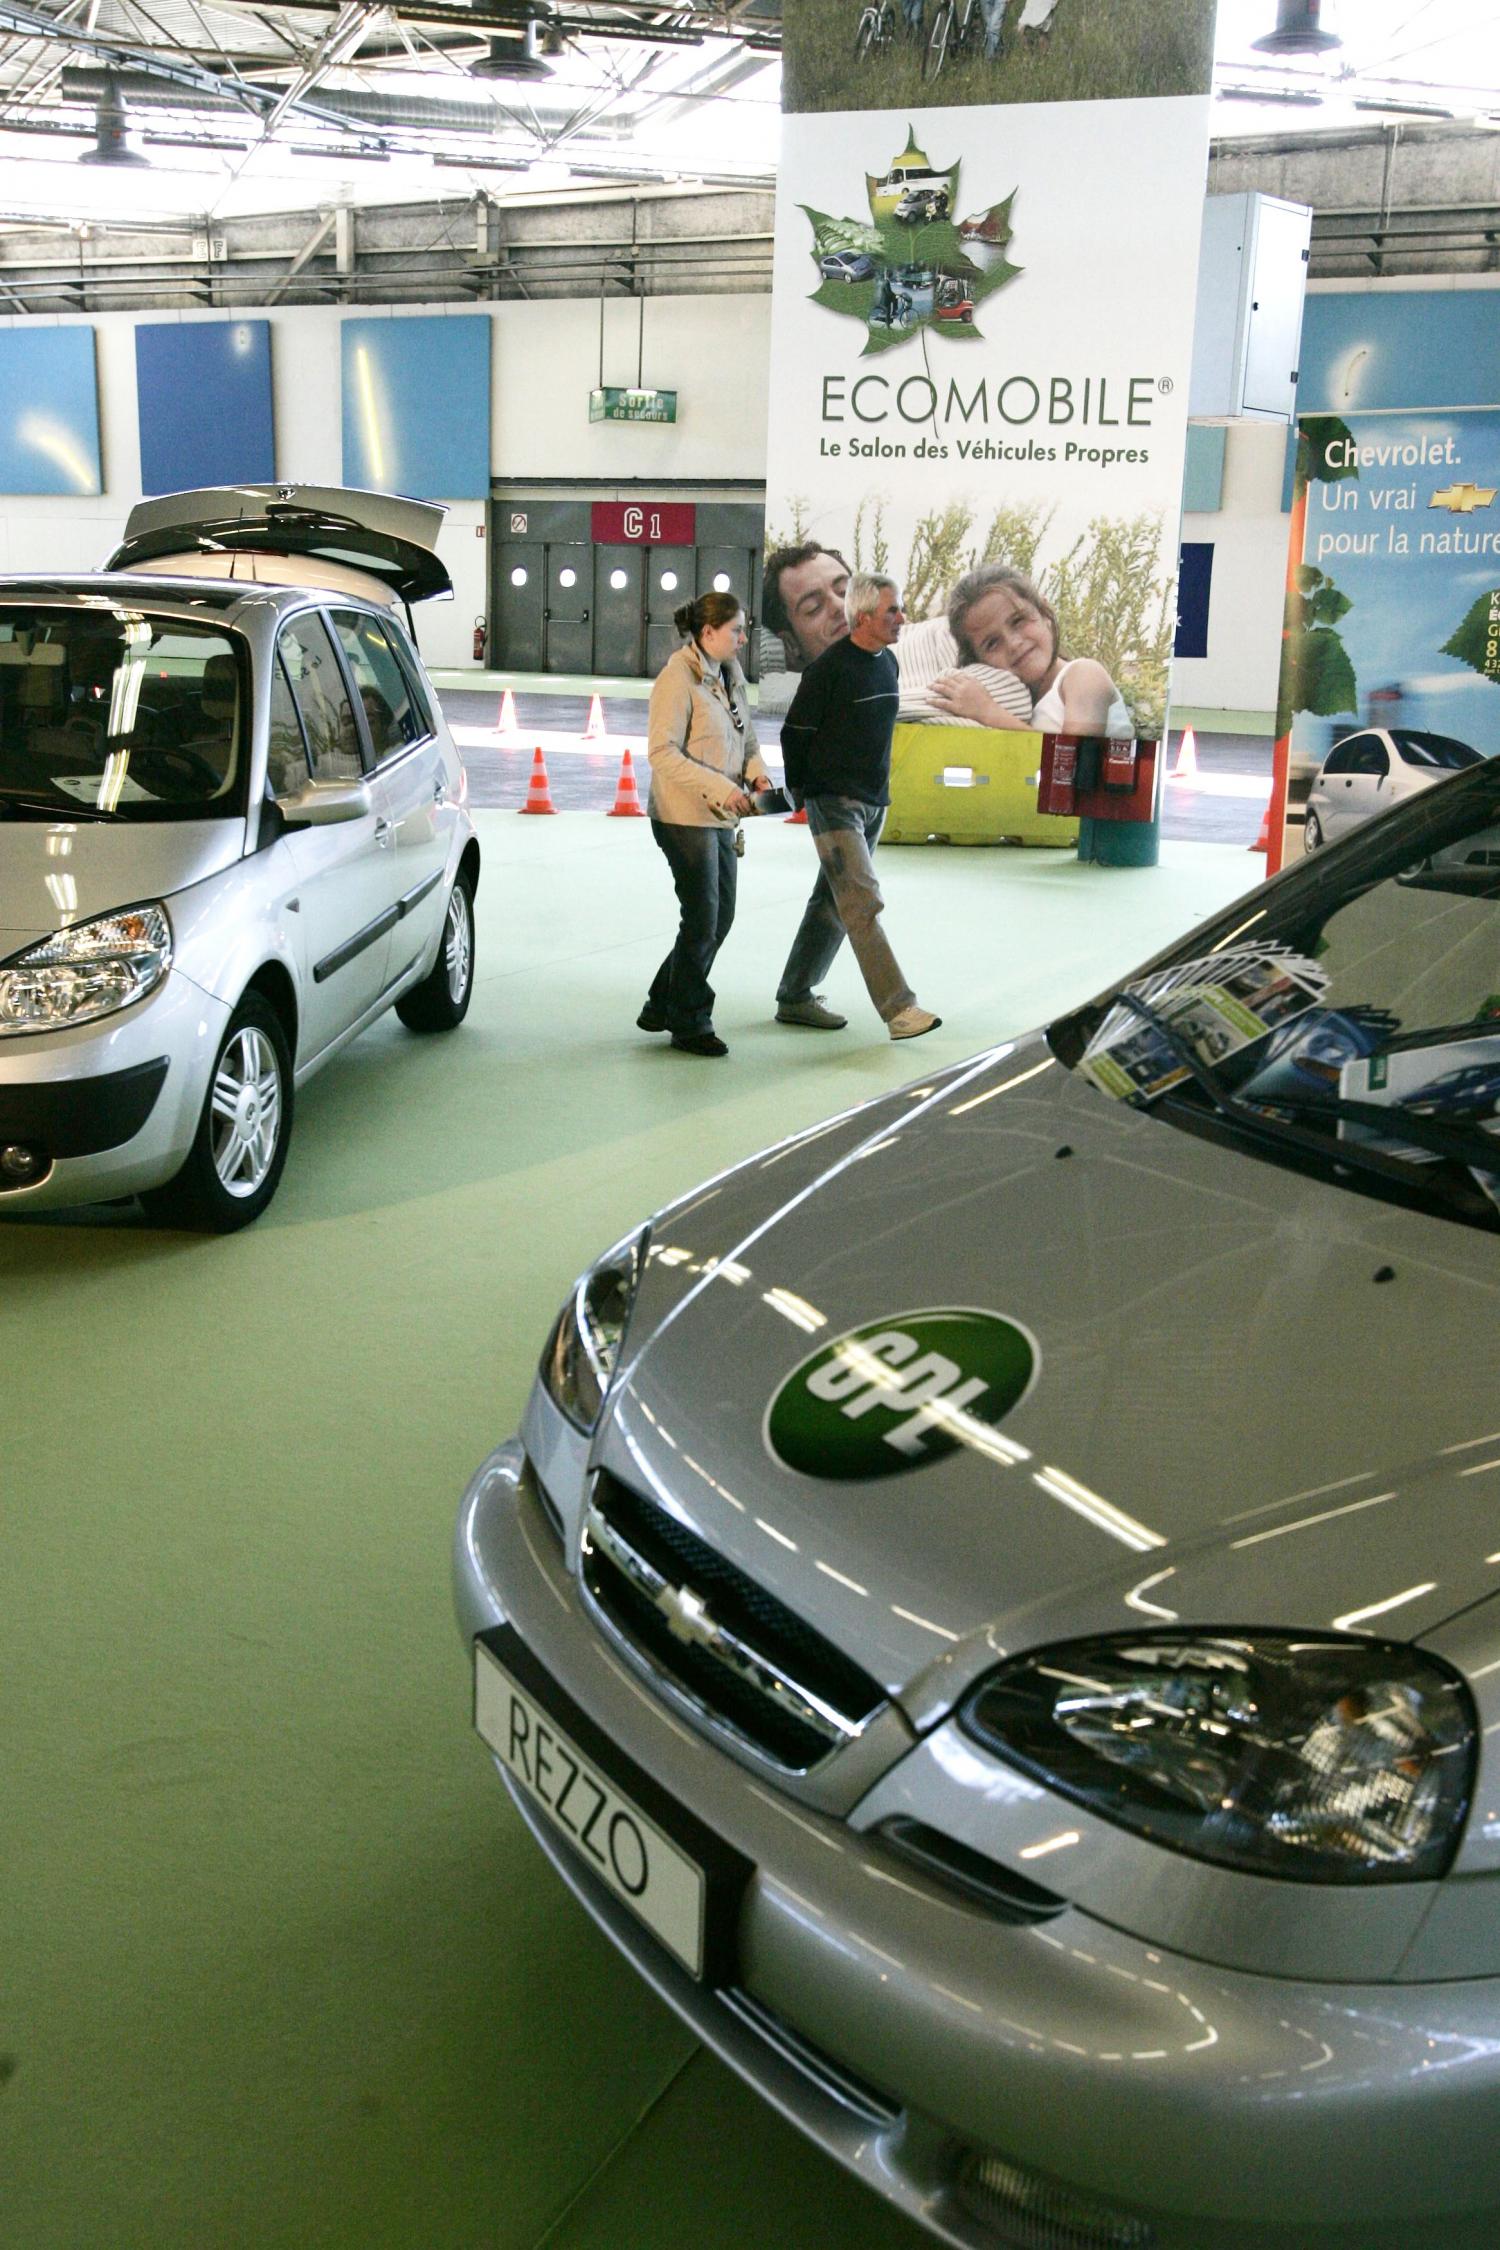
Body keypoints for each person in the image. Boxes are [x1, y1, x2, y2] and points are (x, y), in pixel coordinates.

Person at [774, 573, 942, 1043]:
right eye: (893, 611)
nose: (902, 619)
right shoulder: (828, 671)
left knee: (831, 904)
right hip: (834, 804)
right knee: (862, 903)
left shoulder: (887, 662)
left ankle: (794, 995)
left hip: (872, 805)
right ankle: (900, 1010)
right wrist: (802, 794)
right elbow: (795, 735)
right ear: (863, 616)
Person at [639, 591, 771, 1058]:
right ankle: (690, 1021)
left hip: (720, 815)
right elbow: (662, 753)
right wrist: (723, 789)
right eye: (736, 629)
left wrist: (756, 770)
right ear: (708, 633)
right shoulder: (677, 680)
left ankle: (662, 1001)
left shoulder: (729, 674)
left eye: (744, 628)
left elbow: (746, 735)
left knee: (720, 917)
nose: (743, 637)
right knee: (702, 919)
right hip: (683, 816)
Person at [926, 562, 1134, 736]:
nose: (1014, 643)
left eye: (1018, 621)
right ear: (979, 662)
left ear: (1045, 613)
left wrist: (989, 713)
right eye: (992, 643)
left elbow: (1074, 763)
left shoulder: (1084, 675)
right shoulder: (1018, 707)